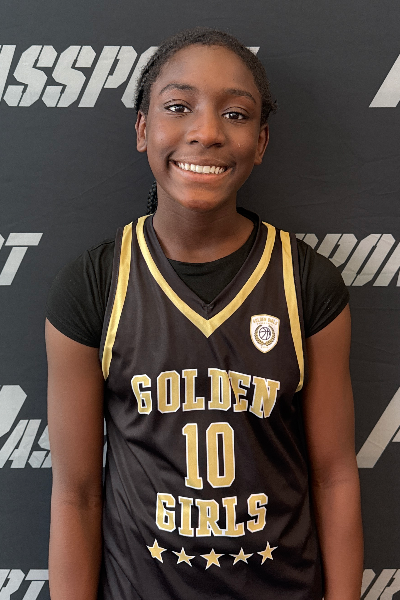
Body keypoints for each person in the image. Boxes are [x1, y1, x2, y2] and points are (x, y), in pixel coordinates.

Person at [46, 27, 363, 600]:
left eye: (235, 115)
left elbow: (334, 475)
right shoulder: (94, 286)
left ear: (260, 142)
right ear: (143, 129)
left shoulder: (306, 282)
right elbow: (77, 493)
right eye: (177, 107)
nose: (207, 132)